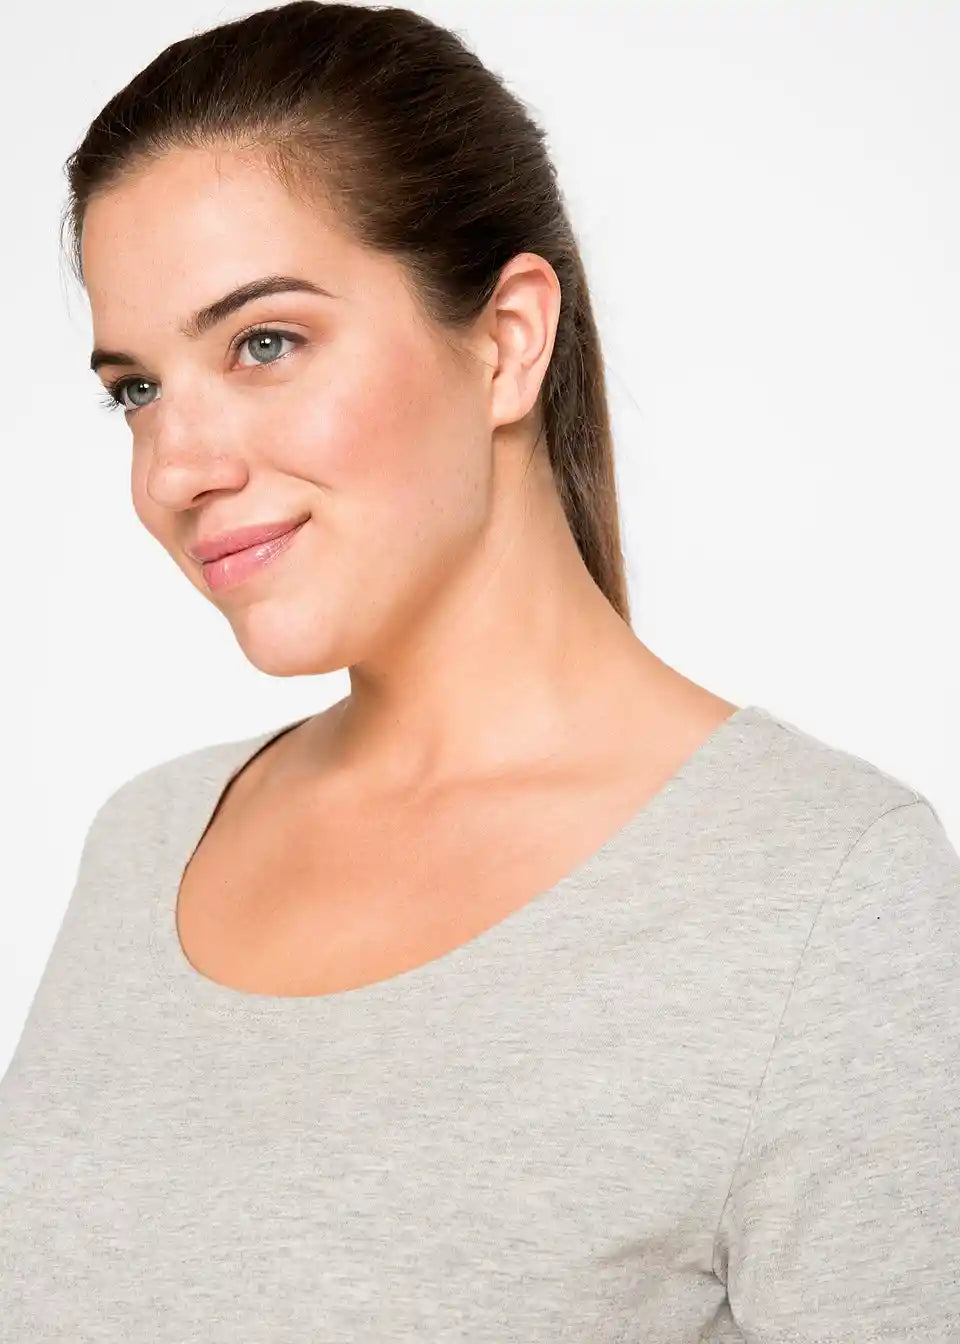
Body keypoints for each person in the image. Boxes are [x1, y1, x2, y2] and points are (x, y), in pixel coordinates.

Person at [2, 2, 957, 1339]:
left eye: (264, 343)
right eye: (137, 388)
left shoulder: (824, 893)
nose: (176, 469)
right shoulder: (146, 844)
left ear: (506, 339)